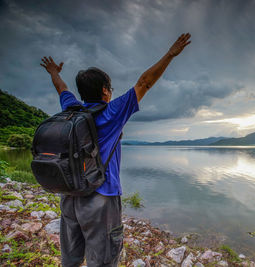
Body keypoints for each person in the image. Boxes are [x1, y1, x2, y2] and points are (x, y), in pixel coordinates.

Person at [40, 33, 191, 267]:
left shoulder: (71, 108)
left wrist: (53, 72)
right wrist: (170, 54)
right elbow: (144, 83)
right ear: (104, 91)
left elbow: (61, 88)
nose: (111, 92)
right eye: (110, 88)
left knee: (70, 257)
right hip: (102, 196)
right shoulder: (112, 113)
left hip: (69, 193)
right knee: (103, 260)